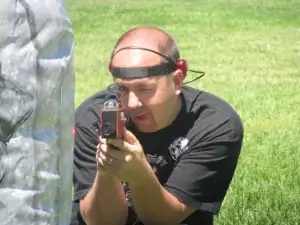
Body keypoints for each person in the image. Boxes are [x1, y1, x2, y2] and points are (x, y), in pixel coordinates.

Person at [71, 26, 244, 225]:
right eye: (122, 89)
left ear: (177, 81)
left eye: (145, 88)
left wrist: (141, 175)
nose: (131, 103)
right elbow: (100, 221)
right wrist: (106, 169)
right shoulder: (93, 118)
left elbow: (164, 219)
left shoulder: (213, 124)